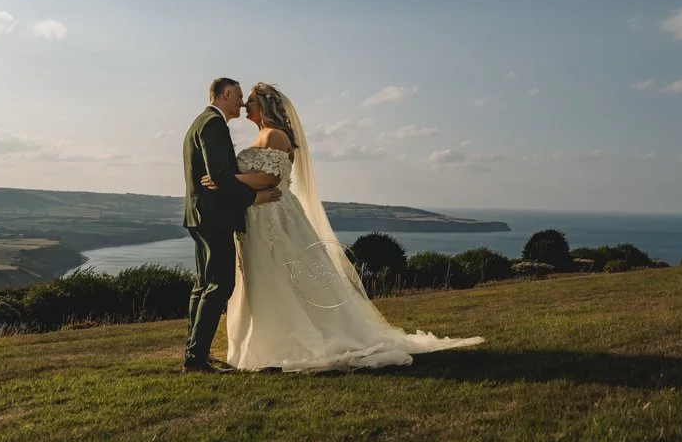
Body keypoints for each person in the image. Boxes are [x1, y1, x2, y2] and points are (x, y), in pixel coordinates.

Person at [202, 82, 484, 372]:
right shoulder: (263, 135)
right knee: (265, 278)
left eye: (250, 100)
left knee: (280, 276)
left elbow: (271, 178)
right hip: (258, 216)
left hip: (275, 217)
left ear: (265, 105)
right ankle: (261, 343)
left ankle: (287, 343)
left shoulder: (274, 135)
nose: (245, 104)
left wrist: (225, 181)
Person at [181, 77, 282, 373]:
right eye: (238, 97)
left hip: (199, 215)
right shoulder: (213, 124)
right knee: (220, 284)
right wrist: (255, 197)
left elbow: (218, 178)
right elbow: (221, 177)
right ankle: (196, 359)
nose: (241, 103)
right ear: (226, 94)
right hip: (213, 216)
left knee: (203, 284)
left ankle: (194, 353)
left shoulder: (200, 122)